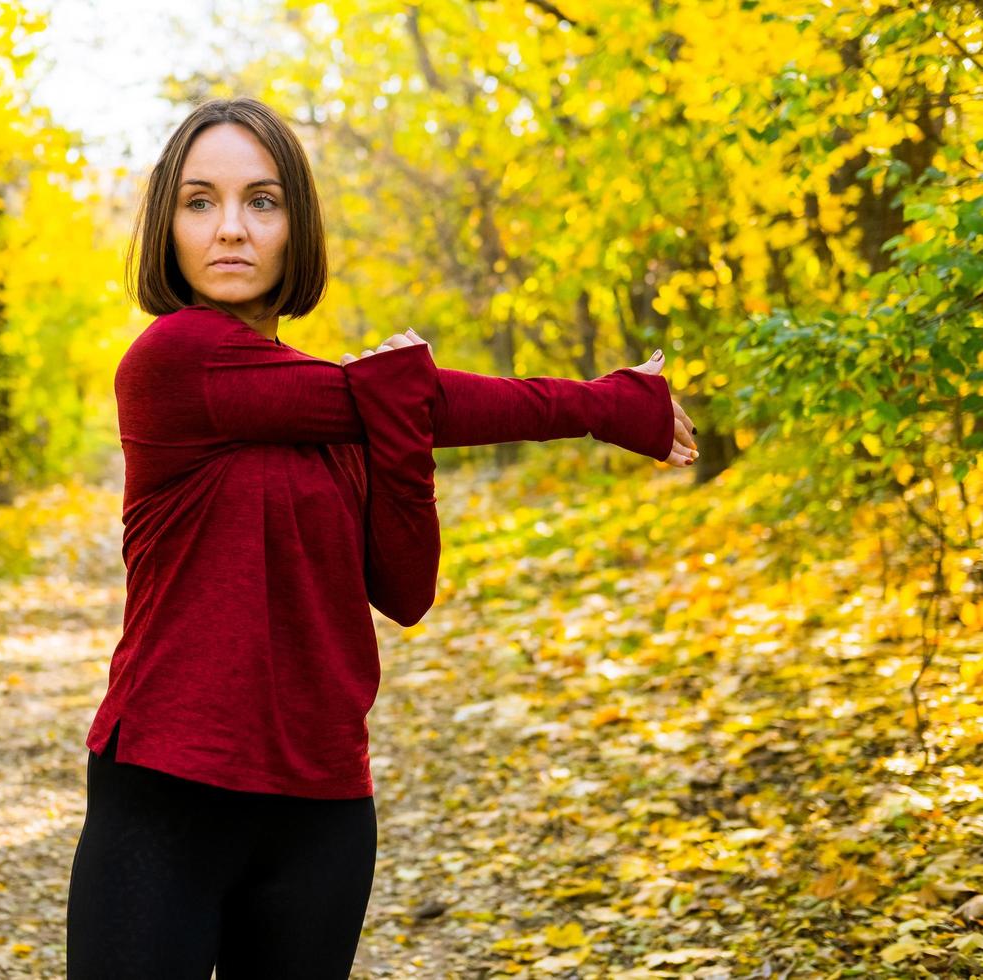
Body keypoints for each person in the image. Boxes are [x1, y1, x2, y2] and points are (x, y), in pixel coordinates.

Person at [66, 96, 697, 980]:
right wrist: (605, 404)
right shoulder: (174, 361)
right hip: (169, 790)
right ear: (167, 228)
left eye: (264, 201)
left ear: (298, 227)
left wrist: (396, 429)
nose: (232, 230)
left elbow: (404, 590)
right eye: (200, 202)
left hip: (322, 806)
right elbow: (425, 400)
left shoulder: (348, 417)